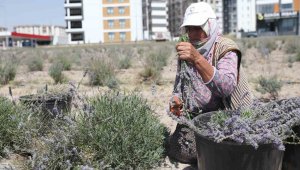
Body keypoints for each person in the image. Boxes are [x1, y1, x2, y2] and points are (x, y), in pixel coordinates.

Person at [167, 2, 252, 164]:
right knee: (181, 149)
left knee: (226, 151)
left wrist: (197, 59)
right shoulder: (187, 50)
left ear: (210, 26)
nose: (193, 33)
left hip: (228, 116)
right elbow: (179, 85)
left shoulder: (226, 48)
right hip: (197, 118)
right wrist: (175, 101)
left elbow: (226, 88)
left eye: (198, 28)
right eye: (189, 28)